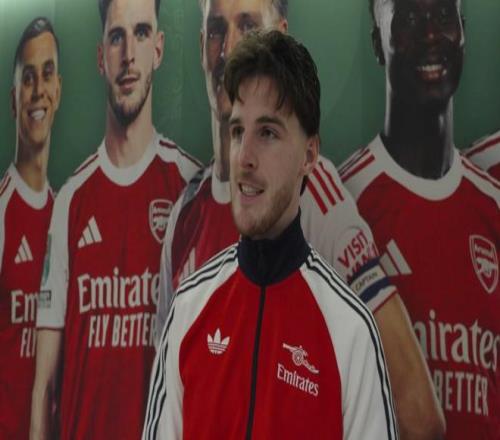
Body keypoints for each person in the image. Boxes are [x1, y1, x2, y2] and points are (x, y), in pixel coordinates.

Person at [156, 0, 444, 437]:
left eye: (247, 27)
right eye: (216, 30)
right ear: (200, 46)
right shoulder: (184, 216)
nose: (229, 49)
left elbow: (420, 414)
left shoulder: (317, 195)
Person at [30, 0, 201, 439]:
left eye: (141, 34)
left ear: (158, 49)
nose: (128, 55)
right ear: (100, 57)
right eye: (116, 37)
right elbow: (44, 385)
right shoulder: (71, 201)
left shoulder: (190, 188)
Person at [340, 0, 500, 438]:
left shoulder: (491, 205)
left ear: (464, 32)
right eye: (408, 19)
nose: (431, 34)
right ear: (378, 44)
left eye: (444, 16)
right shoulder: (346, 202)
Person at [0, 17, 60, 440]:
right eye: (27, 77)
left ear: (58, 90)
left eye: (47, 73)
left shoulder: (66, 213)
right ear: (13, 99)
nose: (38, 89)